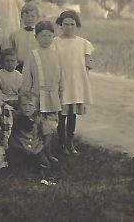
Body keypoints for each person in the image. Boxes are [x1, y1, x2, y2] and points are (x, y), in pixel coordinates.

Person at [20, 21, 62, 165]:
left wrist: (59, 94)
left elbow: (60, 77)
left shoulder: (56, 55)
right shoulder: (33, 55)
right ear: (36, 37)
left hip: (52, 96)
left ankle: (47, 151)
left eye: (50, 36)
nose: (47, 39)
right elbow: (26, 78)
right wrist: (27, 97)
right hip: (36, 97)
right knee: (37, 126)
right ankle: (36, 152)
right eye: (43, 35)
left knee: (50, 126)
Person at [53, 10, 94, 155]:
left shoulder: (83, 43)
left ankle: (70, 142)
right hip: (61, 82)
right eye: (65, 24)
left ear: (76, 25)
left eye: (72, 24)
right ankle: (61, 143)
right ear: (60, 25)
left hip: (76, 82)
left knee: (72, 114)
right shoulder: (55, 42)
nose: (69, 27)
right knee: (61, 114)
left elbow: (88, 61)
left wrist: (87, 67)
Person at [9, 94, 50, 170]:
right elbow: (11, 136)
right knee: (17, 165)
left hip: (36, 148)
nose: (27, 108)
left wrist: (42, 147)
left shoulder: (39, 120)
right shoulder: (15, 119)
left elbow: (47, 135)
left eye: (30, 105)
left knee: (43, 164)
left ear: (35, 108)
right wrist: (17, 147)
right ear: (20, 106)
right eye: (24, 105)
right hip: (21, 148)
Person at [9, 2, 40, 72]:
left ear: (37, 17)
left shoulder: (40, 34)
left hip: (36, 65)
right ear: (22, 17)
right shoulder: (15, 34)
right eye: (27, 16)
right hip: (19, 66)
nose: (29, 19)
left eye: (32, 16)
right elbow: (11, 52)